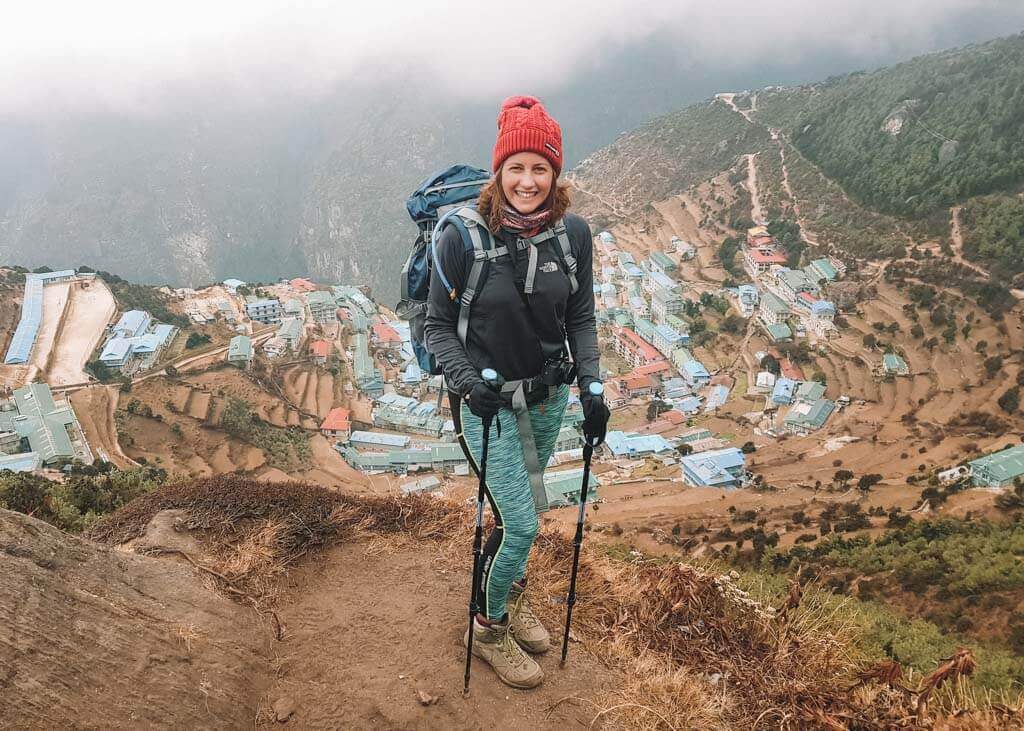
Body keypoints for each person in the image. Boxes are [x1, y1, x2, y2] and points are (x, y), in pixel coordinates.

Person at [424, 95, 610, 689]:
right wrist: (462, 382)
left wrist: (594, 386)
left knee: (524, 512)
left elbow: (580, 316)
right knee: (523, 523)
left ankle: (508, 595)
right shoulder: (462, 239)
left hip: (551, 396)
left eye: (540, 168)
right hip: (488, 404)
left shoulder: (572, 235)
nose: (527, 181)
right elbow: (434, 325)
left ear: (555, 174)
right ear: (498, 171)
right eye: (516, 167)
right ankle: (487, 625)